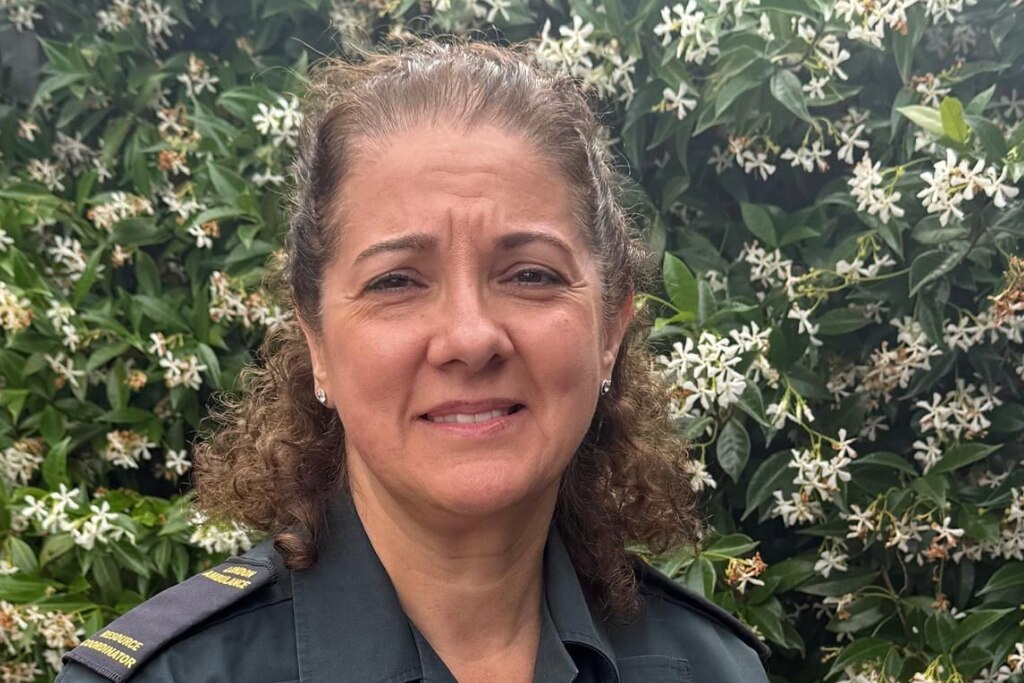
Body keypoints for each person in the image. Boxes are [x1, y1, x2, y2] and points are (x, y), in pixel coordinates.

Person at [57, 40, 770, 683]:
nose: (470, 337)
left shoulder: (715, 669)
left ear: (610, 329)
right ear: (316, 342)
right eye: (396, 281)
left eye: (531, 274)